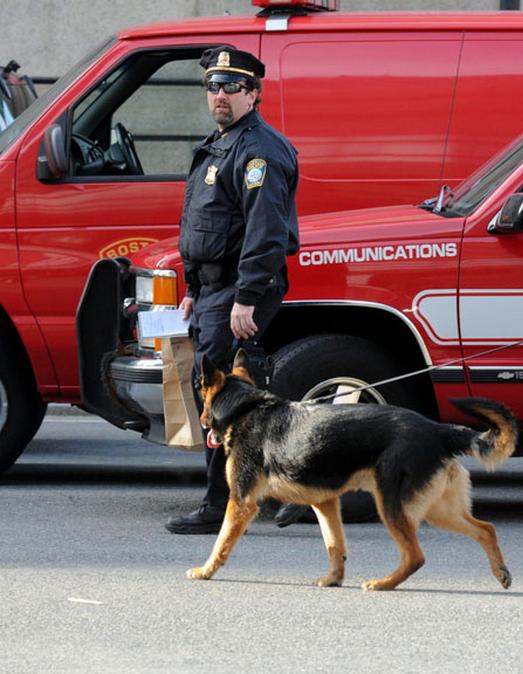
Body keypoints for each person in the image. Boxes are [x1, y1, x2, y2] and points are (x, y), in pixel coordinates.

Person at [165, 48, 300, 535]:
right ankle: (273, 492)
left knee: (224, 398)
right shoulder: (220, 144)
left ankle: (220, 504)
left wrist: (247, 297)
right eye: (213, 87)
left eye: (231, 87)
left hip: (238, 293)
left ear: (253, 94)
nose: (220, 95)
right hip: (214, 291)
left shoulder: (259, 151)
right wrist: (193, 289)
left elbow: (264, 232)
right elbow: (203, 225)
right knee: (234, 395)